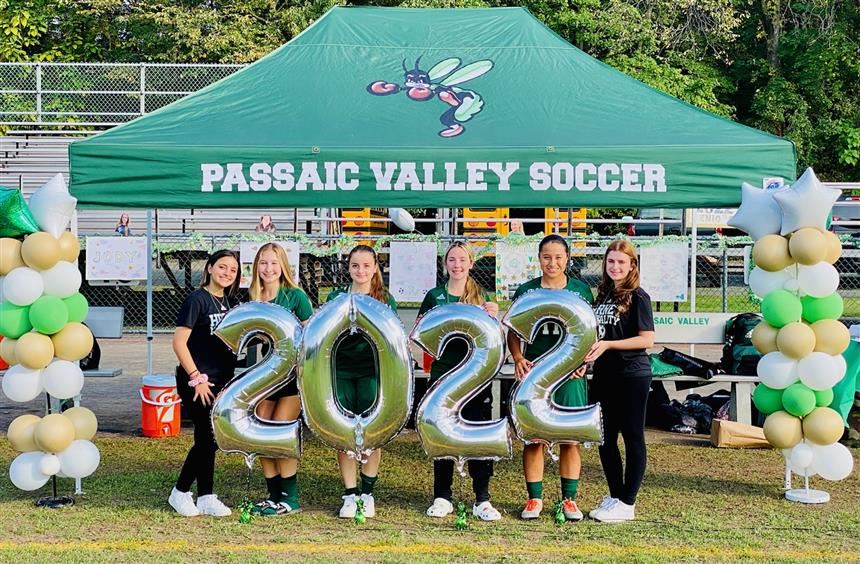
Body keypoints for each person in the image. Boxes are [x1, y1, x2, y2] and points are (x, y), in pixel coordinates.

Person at [507, 234, 593, 522]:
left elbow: (590, 332)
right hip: (536, 374)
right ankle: (534, 498)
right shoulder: (527, 290)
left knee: (571, 437)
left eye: (558, 257)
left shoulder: (581, 291)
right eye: (547, 256)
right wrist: (518, 358)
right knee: (534, 437)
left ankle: (569, 500)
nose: (552, 262)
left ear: (567, 259)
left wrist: (585, 361)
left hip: (570, 374)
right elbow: (514, 330)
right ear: (539, 258)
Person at [418, 241, 501, 521]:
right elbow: (421, 333)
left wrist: (493, 317)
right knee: (442, 434)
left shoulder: (481, 294)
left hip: (476, 378)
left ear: (471, 263)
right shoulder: (434, 296)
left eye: (462, 259)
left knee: (477, 433)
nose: (457, 264)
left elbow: (493, 337)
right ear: (445, 265)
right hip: (443, 376)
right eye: (452, 260)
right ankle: (442, 496)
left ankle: (482, 498)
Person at [584, 239, 655, 523]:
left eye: (621, 262)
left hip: (631, 375)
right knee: (605, 438)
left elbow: (647, 339)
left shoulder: (639, 296)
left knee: (633, 437)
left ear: (632, 265)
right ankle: (615, 496)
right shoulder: (602, 294)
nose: (615, 267)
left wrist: (609, 346)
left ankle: (628, 502)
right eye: (611, 261)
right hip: (604, 374)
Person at [327, 245, 398, 519]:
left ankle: (367, 492)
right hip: (341, 372)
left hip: (372, 373)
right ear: (348, 268)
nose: (361, 271)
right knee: (343, 432)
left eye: (367, 265)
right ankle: (350, 493)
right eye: (355, 265)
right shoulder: (336, 297)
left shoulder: (384, 299)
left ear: (375, 268)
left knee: (370, 432)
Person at [168, 249, 241, 517]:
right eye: (222, 267)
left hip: (222, 381)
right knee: (206, 439)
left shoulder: (232, 303)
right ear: (209, 268)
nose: (227, 273)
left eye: (232, 270)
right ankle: (180, 492)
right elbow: (179, 342)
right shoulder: (197, 300)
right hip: (199, 382)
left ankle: (207, 496)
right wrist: (196, 377)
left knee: (210, 439)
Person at [248, 243, 313, 516]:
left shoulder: (295, 296)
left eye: (274, 263)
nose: (268, 268)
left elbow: (311, 336)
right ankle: (273, 495)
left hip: (291, 375)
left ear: (284, 265)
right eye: (263, 263)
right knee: (260, 431)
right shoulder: (253, 296)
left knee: (281, 430)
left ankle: (291, 499)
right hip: (264, 374)